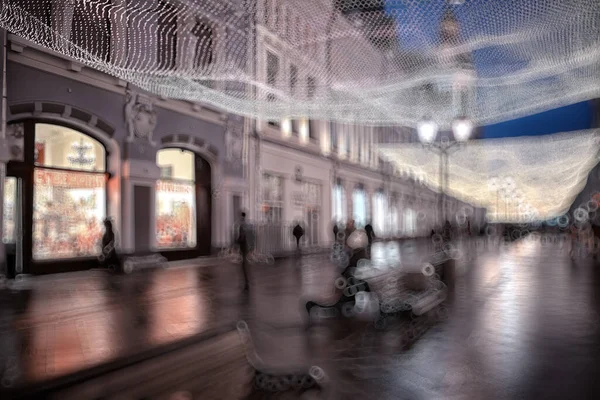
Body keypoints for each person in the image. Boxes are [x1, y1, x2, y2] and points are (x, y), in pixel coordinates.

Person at [237, 212, 250, 292]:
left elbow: (242, 237)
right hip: (246, 246)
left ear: (242, 216)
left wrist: (237, 241)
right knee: (244, 265)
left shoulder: (242, 225)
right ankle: (246, 282)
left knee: (244, 266)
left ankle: (246, 283)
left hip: (243, 247)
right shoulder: (246, 225)